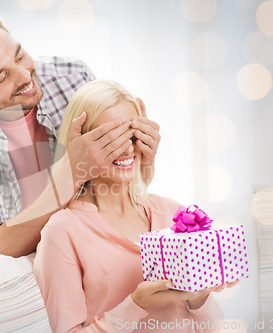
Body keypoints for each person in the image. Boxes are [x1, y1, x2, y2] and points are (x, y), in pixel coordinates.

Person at [0, 12, 161, 257]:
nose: (25, 77)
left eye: (19, 56)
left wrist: (144, 158)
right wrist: (72, 173)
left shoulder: (72, 76)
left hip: (69, 222)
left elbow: (115, 185)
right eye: (2, 76)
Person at [33, 80, 239, 333]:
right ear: (81, 147)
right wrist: (137, 302)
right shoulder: (62, 231)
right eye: (111, 138)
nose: (128, 148)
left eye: (134, 133)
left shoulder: (174, 213)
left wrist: (199, 295)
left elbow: (215, 327)